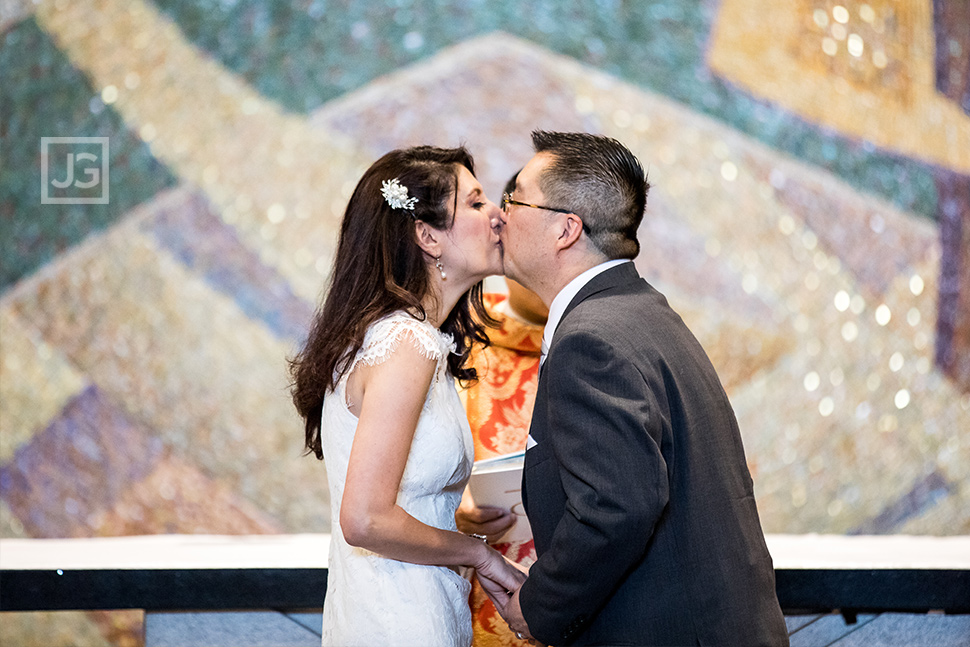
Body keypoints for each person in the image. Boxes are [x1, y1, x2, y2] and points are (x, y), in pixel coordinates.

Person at [492, 131, 789, 646]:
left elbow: (617, 506)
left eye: (513, 198)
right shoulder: (644, 311)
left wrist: (538, 607)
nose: (499, 216)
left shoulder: (591, 340)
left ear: (566, 229)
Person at [289, 145, 526, 647]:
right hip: (401, 621)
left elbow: (389, 503)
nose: (499, 217)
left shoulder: (400, 338)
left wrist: (454, 517)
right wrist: (477, 552)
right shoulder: (405, 342)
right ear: (427, 236)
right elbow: (366, 518)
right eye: (478, 202)